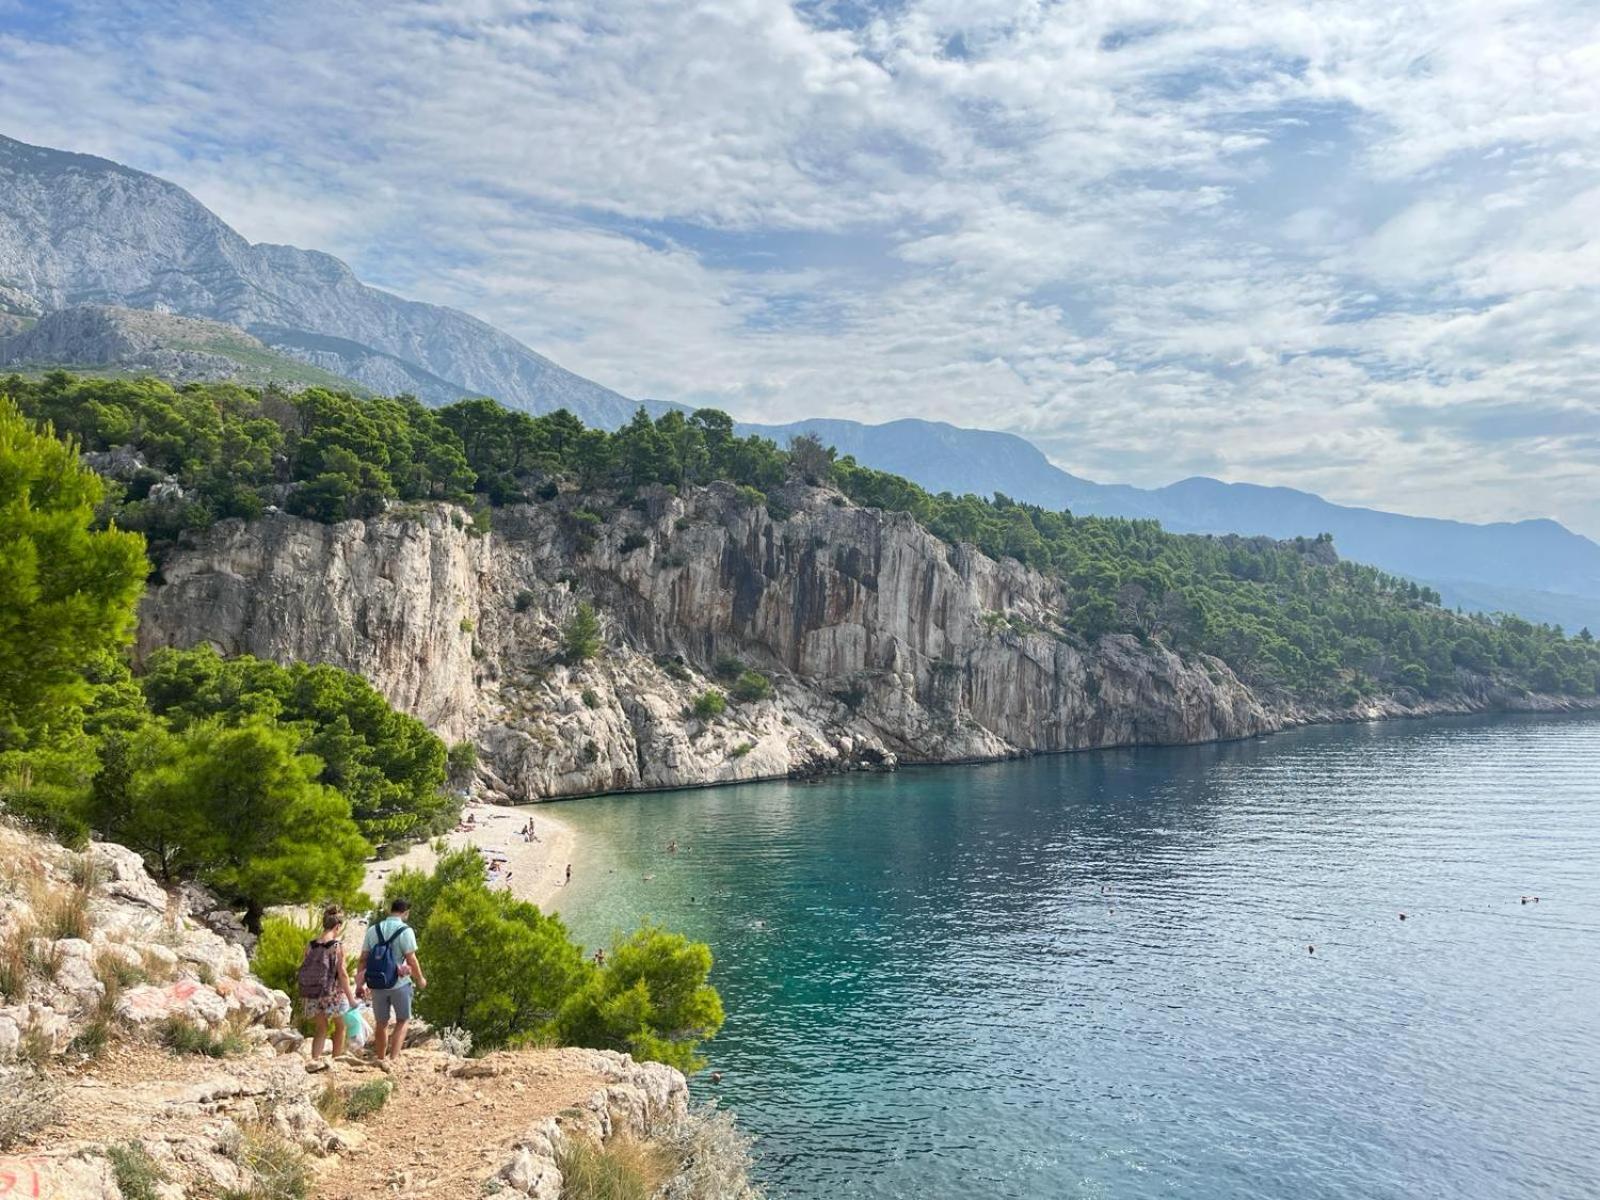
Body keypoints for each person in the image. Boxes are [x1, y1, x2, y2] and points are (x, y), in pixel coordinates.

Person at [356, 898, 427, 1070]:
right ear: (405, 913)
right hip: (400, 983)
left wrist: (360, 984)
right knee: (403, 1020)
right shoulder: (406, 931)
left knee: (381, 1022)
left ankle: (380, 1058)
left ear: (390, 910)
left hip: (377, 983)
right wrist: (420, 978)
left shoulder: (374, 930)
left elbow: (363, 959)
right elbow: (411, 958)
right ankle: (393, 1059)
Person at [297, 906, 356, 1070]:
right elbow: (342, 974)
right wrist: (351, 999)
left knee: (321, 1028)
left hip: (312, 992)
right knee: (340, 1025)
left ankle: (314, 1060)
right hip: (332, 993)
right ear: (337, 926)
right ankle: (336, 1062)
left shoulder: (311, 945)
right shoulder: (337, 946)